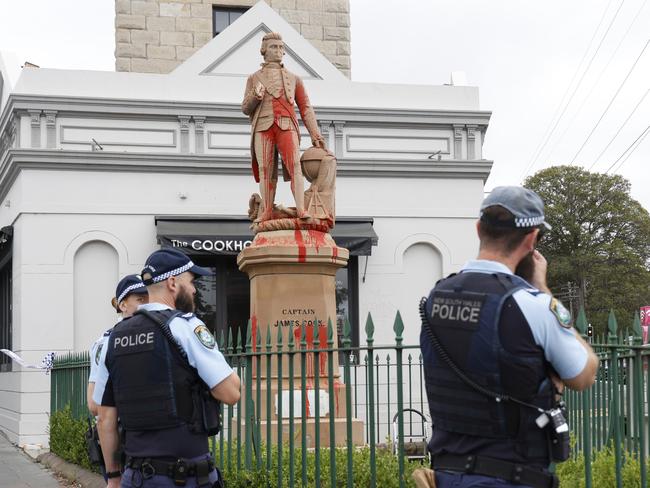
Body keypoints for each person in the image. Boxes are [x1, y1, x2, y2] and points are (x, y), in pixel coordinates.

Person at [420, 186, 599, 488]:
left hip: (445, 474)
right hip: (511, 477)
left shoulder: (435, 298)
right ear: (531, 240)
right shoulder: (532, 305)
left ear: (479, 229)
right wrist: (543, 289)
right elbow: (584, 374)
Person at [93, 248, 241, 487]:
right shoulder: (185, 327)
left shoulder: (113, 339)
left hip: (135, 477)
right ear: (173, 283)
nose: (194, 290)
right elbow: (231, 393)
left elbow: (105, 418)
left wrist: (112, 477)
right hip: (185, 477)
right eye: (191, 282)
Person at [242, 31, 325, 222]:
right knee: (265, 170)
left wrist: (315, 133)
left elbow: (306, 108)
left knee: (295, 165)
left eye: (281, 48)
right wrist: (256, 95)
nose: (278, 51)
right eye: (273, 47)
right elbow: (245, 108)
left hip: (287, 125)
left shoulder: (294, 78)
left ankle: (302, 209)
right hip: (263, 127)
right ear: (264, 50)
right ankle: (267, 211)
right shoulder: (253, 78)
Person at [87, 274, 149, 416]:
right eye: (140, 299)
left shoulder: (161, 333)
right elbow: (94, 405)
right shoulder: (107, 342)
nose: (147, 304)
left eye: (149, 298)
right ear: (123, 305)